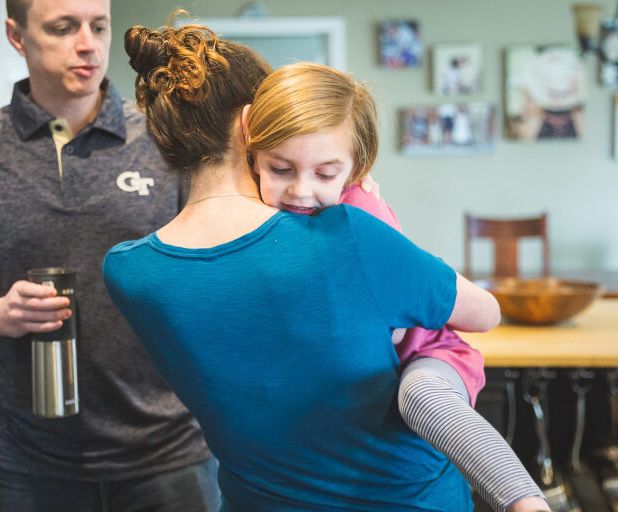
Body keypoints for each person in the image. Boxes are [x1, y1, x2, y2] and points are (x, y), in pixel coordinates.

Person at [105, 22, 502, 511]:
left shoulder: (128, 273)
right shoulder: (346, 236)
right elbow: (484, 313)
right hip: (404, 499)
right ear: (253, 124)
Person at [0, 1, 217, 510]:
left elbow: (218, 268)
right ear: (16, 36)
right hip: (24, 461)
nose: (87, 44)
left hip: (168, 453)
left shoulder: (164, 142)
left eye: (98, 26)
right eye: (63, 28)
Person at [243, 62, 548, 512]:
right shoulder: (251, 207)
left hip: (429, 351)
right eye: (281, 168)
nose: (301, 191)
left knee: (422, 398)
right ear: (252, 151)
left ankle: (525, 501)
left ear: (356, 166)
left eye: (325, 175)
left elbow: (394, 329)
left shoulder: (363, 213)